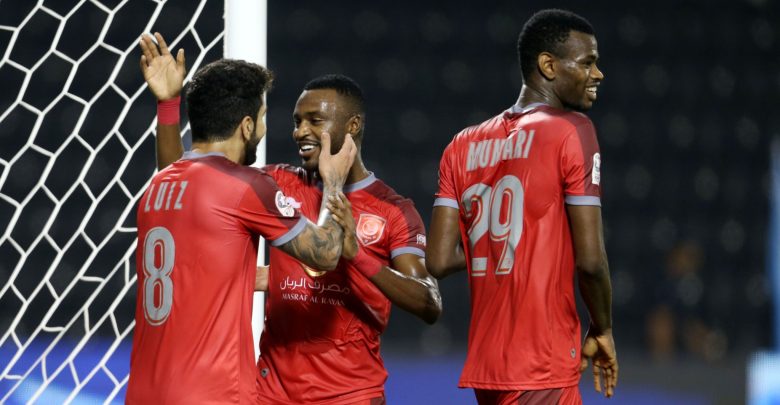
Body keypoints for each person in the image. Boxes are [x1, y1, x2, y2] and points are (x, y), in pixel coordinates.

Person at [144, 35, 442, 404]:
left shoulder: (392, 209)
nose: (299, 131)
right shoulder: (275, 183)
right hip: (271, 394)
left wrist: (357, 255)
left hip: (349, 395)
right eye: (297, 121)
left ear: (352, 126)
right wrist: (168, 105)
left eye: (314, 121)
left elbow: (429, 303)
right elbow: (190, 181)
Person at [126, 33, 356, 404]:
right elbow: (326, 253)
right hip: (214, 394)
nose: (264, 129)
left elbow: (180, 175)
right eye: (262, 119)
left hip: (144, 392)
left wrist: (168, 104)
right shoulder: (246, 186)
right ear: (247, 126)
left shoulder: (159, 186)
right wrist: (333, 183)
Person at [426, 9, 618, 404]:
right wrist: (602, 328)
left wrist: (507, 241)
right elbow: (590, 261)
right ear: (548, 65)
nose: (598, 74)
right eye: (587, 62)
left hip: (487, 368)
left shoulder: (461, 144)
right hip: (543, 360)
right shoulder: (572, 131)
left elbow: (439, 260)